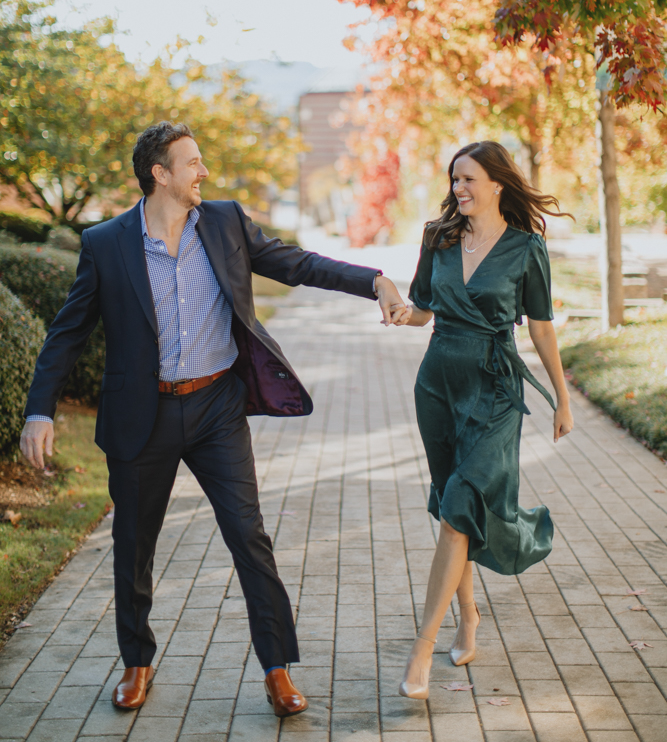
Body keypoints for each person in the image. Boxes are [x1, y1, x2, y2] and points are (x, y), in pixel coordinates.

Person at [20, 121, 407, 717]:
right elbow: (67, 333)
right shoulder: (106, 243)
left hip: (216, 408)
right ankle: (136, 661)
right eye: (192, 162)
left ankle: (277, 670)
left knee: (249, 537)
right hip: (141, 415)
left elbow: (295, 263)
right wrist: (40, 410)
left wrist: (373, 280)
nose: (203, 172)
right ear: (160, 173)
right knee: (133, 544)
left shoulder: (224, 222)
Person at [392, 141, 574, 700]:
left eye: (469, 179)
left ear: (498, 183)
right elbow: (425, 305)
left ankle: (421, 649)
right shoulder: (439, 237)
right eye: (454, 180)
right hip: (438, 384)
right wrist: (403, 312)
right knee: (453, 502)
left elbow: (540, 327)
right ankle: (467, 616)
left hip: (495, 387)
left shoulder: (526, 249)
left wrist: (562, 399)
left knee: (462, 503)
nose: (459, 189)